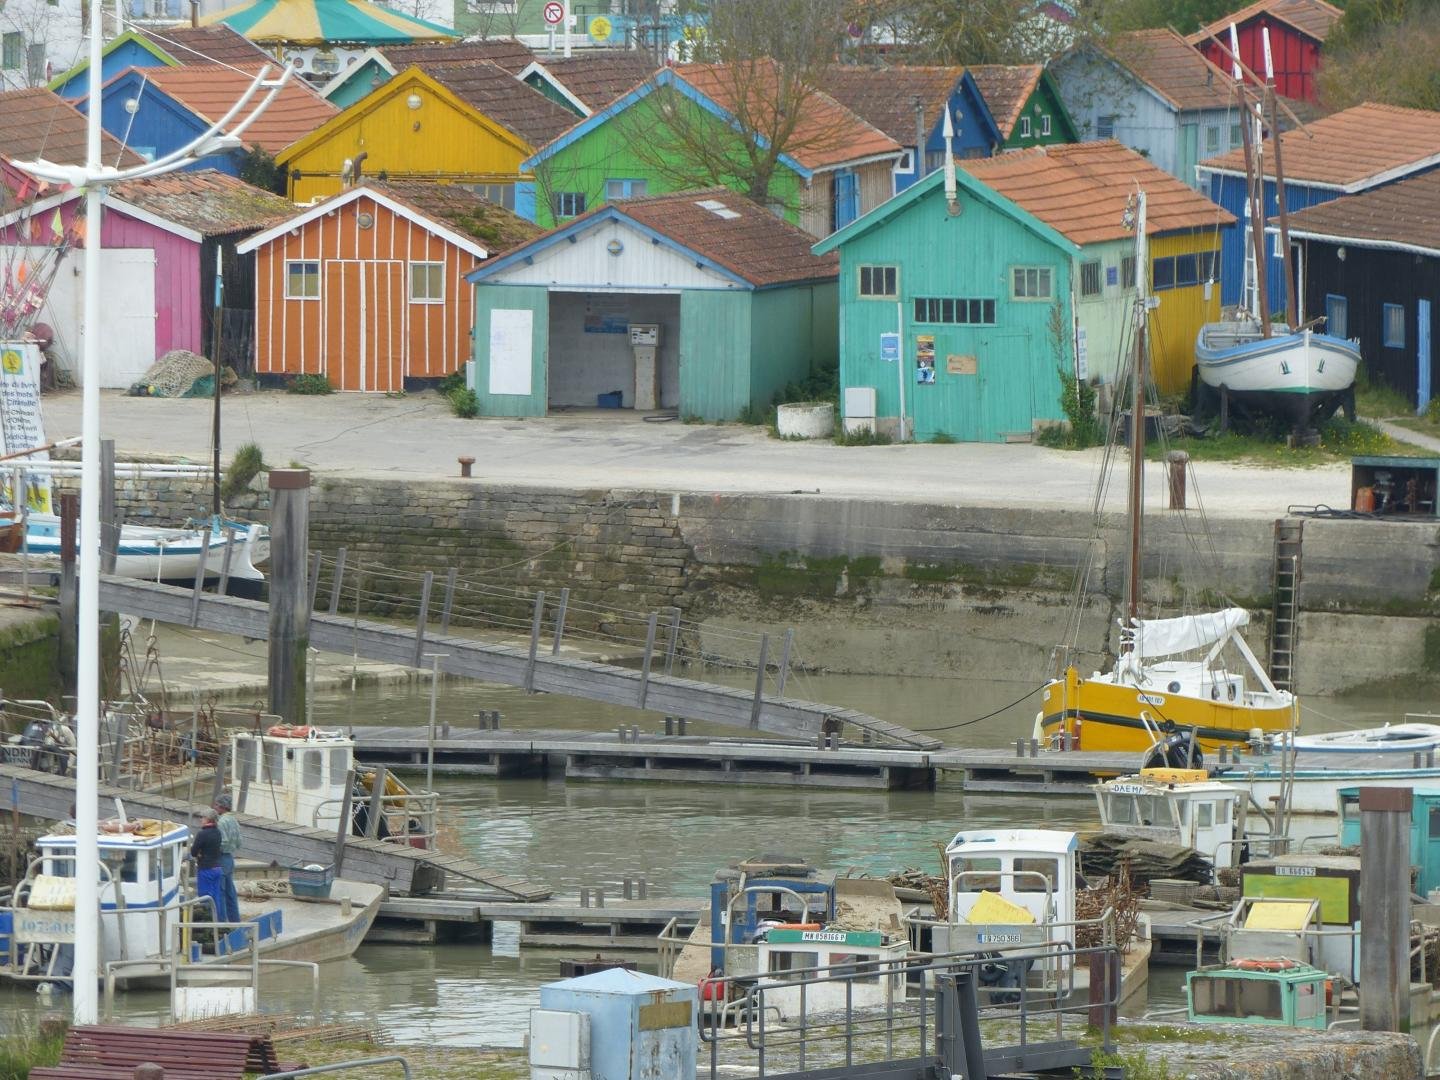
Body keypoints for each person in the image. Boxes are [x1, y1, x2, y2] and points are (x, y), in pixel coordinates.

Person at [190, 811, 225, 926]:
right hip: (217, 868)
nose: (201, 819)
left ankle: (207, 925)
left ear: (208, 819)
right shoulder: (218, 832)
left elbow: (193, 852)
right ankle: (218, 923)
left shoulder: (202, 834)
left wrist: (199, 853)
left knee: (205, 897)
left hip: (206, 869)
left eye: (202, 817)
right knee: (216, 897)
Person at [213, 794, 242, 923]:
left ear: (222, 807)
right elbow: (239, 842)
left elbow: (223, 841)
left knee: (221, 892)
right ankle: (235, 920)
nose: (214, 807)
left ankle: (222, 922)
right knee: (231, 893)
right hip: (230, 858)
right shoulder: (234, 820)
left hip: (221, 858)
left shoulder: (221, 822)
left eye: (216, 805)